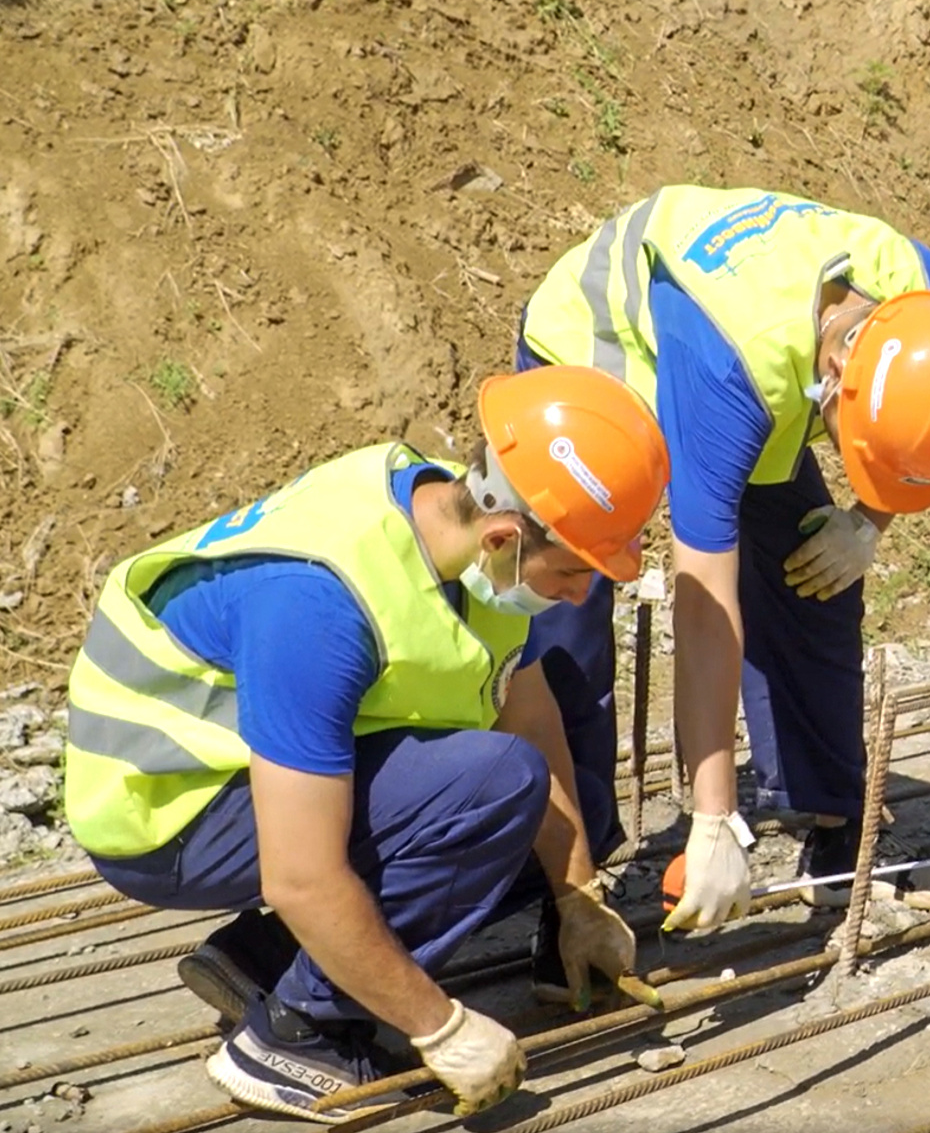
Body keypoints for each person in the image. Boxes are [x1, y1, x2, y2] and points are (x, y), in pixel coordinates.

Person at [62, 365, 671, 1124]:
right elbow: (303, 877)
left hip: (264, 765)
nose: (583, 595)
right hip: (167, 808)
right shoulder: (320, 609)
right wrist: (439, 1026)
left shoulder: (456, 529)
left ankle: (268, 959)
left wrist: (577, 893)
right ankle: (298, 1030)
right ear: (505, 535)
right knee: (496, 786)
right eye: (575, 570)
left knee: (561, 750)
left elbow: (529, 707)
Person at [516, 185, 930, 936]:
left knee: (813, 576)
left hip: (757, 367)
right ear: (838, 375)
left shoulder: (927, 305)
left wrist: (867, 522)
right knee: (565, 613)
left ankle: (836, 836)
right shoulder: (733, 373)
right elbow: (705, 602)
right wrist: (712, 818)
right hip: (596, 367)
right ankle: (570, 892)